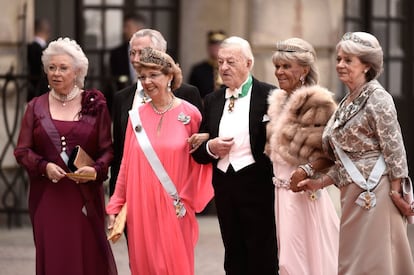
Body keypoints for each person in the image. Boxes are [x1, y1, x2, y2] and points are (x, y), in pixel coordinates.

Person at [294, 32, 414, 274]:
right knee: (352, 262)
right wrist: (319, 183)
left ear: (366, 65)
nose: (340, 65)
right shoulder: (347, 101)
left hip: (376, 193)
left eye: (348, 60)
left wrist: (395, 189)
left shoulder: (378, 98)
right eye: (339, 59)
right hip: (351, 193)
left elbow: (394, 147)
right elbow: (345, 158)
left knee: (373, 263)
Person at [106, 47, 213, 275]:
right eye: (142, 76)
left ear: (170, 76)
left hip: (175, 206)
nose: (147, 82)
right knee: (144, 266)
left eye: (154, 75)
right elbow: (125, 163)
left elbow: (203, 161)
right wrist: (115, 205)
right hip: (140, 205)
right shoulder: (136, 116)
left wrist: (190, 198)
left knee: (175, 267)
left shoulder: (191, 114)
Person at [14, 37, 117, 275]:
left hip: (84, 196)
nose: (56, 73)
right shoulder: (35, 107)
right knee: (56, 258)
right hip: (48, 195)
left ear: (77, 71)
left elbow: (107, 149)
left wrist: (96, 170)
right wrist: (43, 166)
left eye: (63, 68)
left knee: (87, 256)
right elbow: (22, 150)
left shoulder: (95, 103)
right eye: (51, 68)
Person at [192, 36, 278, 275]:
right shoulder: (212, 100)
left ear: (248, 63)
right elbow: (197, 149)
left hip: (259, 186)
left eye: (231, 61)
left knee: (263, 256)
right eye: (220, 62)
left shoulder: (270, 95)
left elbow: (280, 145)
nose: (224, 68)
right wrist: (211, 148)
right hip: (225, 187)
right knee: (233, 255)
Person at [265, 37, 339, 274]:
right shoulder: (277, 101)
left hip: (303, 194)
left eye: (286, 66)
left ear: (304, 70)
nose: (279, 72)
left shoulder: (318, 102)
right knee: (284, 258)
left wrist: (306, 170)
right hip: (279, 195)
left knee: (299, 259)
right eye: (277, 66)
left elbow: (332, 153)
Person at [109, 28, 203, 196]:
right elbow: (119, 153)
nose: (136, 59)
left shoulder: (187, 95)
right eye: (132, 53)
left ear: (161, 54)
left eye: (143, 52)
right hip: (133, 190)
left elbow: (196, 149)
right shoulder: (121, 98)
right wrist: (117, 196)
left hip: (173, 190)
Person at [109, 13, 146, 92]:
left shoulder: (153, 51)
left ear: (138, 29)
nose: (124, 31)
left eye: (128, 27)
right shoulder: (116, 53)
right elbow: (114, 80)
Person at [189, 30, 226, 98]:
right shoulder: (198, 70)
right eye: (213, 45)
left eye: (219, 45)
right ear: (208, 47)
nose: (216, 48)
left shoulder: (228, 69)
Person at [27, 18, 51, 102]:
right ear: (47, 33)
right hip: (40, 91)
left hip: (31, 91)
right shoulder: (44, 51)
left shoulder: (28, 47)